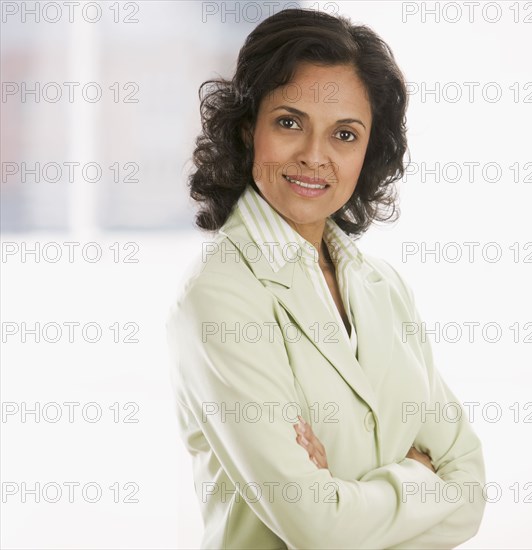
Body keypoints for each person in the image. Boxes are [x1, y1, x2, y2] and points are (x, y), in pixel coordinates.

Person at [166, 8, 486, 549]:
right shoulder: (219, 296)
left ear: (369, 149)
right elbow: (316, 529)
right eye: (289, 122)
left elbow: (471, 493)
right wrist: (420, 479)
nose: (315, 156)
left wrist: (340, 491)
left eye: (344, 134)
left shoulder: (384, 287)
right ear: (249, 130)